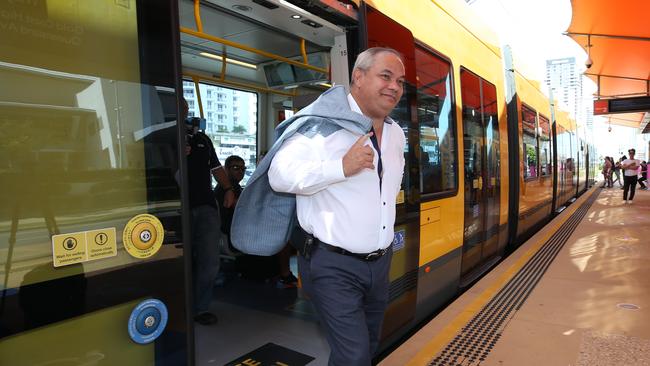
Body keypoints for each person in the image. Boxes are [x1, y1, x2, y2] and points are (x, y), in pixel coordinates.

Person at [267, 47, 406, 365]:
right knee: (354, 357)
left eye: (399, 81)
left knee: (367, 347)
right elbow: (279, 175)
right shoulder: (321, 126)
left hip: (380, 263)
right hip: (333, 264)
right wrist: (340, 167)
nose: (394, 86)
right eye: (385, 76)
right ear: (358, 76)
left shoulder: (397, 134)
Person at [183, 98, 235, 325]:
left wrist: (228, 189)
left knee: (209, 261)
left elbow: (216, 168)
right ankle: (179, 305)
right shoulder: (164, 137)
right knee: (181, 262)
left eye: (184, 108)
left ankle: (201, 308)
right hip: (178, 208)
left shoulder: (202, 139)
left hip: (205, 206)